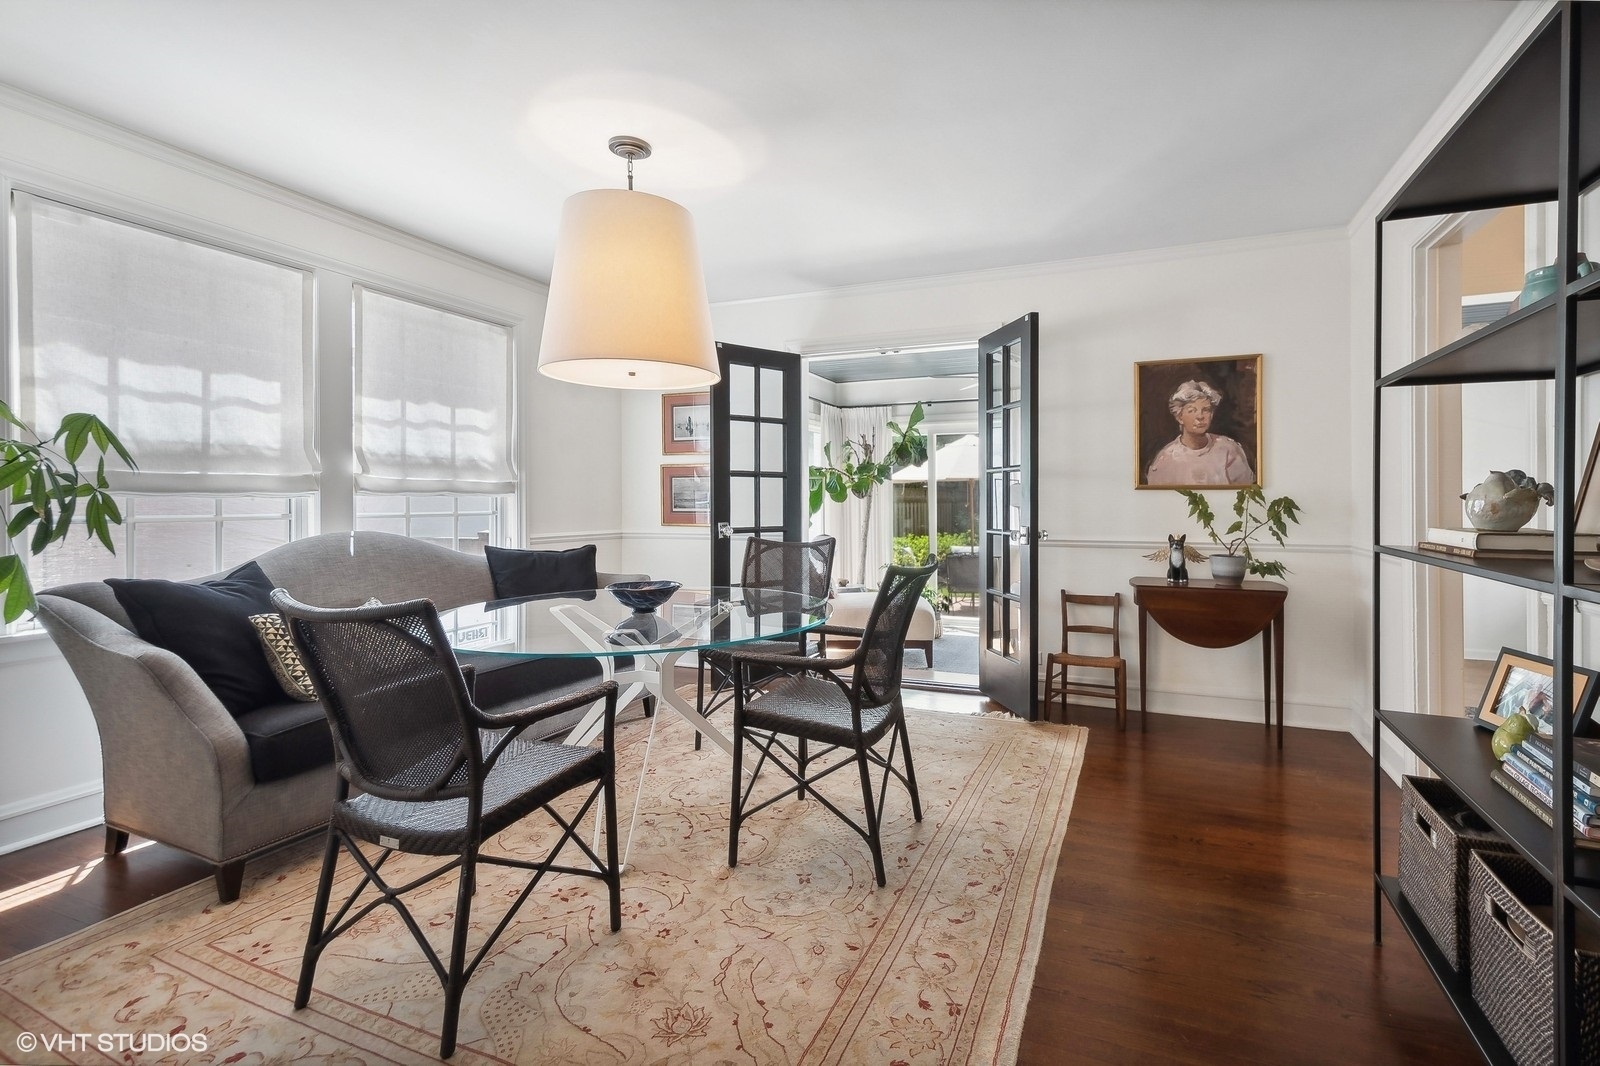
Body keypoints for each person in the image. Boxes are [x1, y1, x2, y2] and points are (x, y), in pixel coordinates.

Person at [1144, 379, 1256, 486]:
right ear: (1179, 417)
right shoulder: (1165, 460)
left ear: (1212, 414)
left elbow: (1245, 492)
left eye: (1206, 410)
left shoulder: (1229, 449)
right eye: (1192, 410)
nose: (1200, 416)